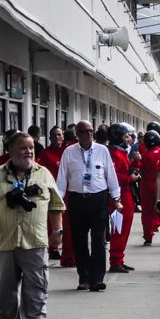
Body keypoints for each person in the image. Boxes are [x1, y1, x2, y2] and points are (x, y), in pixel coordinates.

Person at [0, 131, 64, 319]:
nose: (29, 152)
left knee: (37, 284)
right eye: (23, 148)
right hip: (5, 241)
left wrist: (57, 231)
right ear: (10, 151)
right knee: (5, 288)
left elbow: (56, 205)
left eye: (31, 147)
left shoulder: (43, 174)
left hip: (35, 240)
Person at [56, 120, 123, 292]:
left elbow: (111, 175)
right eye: (84, 131)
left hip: (98, 199)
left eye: (91, 131)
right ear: (77, 134)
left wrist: (116, 198)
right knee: (79, 240)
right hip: (77, 200)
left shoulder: (102, 150)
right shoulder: (69, 152)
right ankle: (84, 278)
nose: (89, 134)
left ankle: (97, 279)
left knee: (98, 239)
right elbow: (62, 178)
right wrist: (58, 201)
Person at [107, 123, 138, 274]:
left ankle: (119, 260)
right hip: (119, 197)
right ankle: (115, 261)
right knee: (119, 229)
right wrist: (130, 178)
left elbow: (125, 170)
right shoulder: (114, 155)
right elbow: (114, 177)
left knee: (124, 229)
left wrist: (136, 162)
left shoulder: (121, 153)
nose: (129, 139)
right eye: (126, 136)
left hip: (126, 195)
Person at [37, 126, 67, 260]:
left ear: (63, 137)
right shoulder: (45, 153)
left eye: (59, 135)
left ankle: (67, 248)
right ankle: (52, 247)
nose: (56, 137)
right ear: (49, 138)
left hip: (67, 192)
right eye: (54, 135)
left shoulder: (67, 152)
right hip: (52, 192)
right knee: (52, 221)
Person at [138, 130, 160, 247]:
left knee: (147, 212)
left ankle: (148, 237)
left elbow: (141, 170)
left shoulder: (144, 155)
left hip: (147, 185)